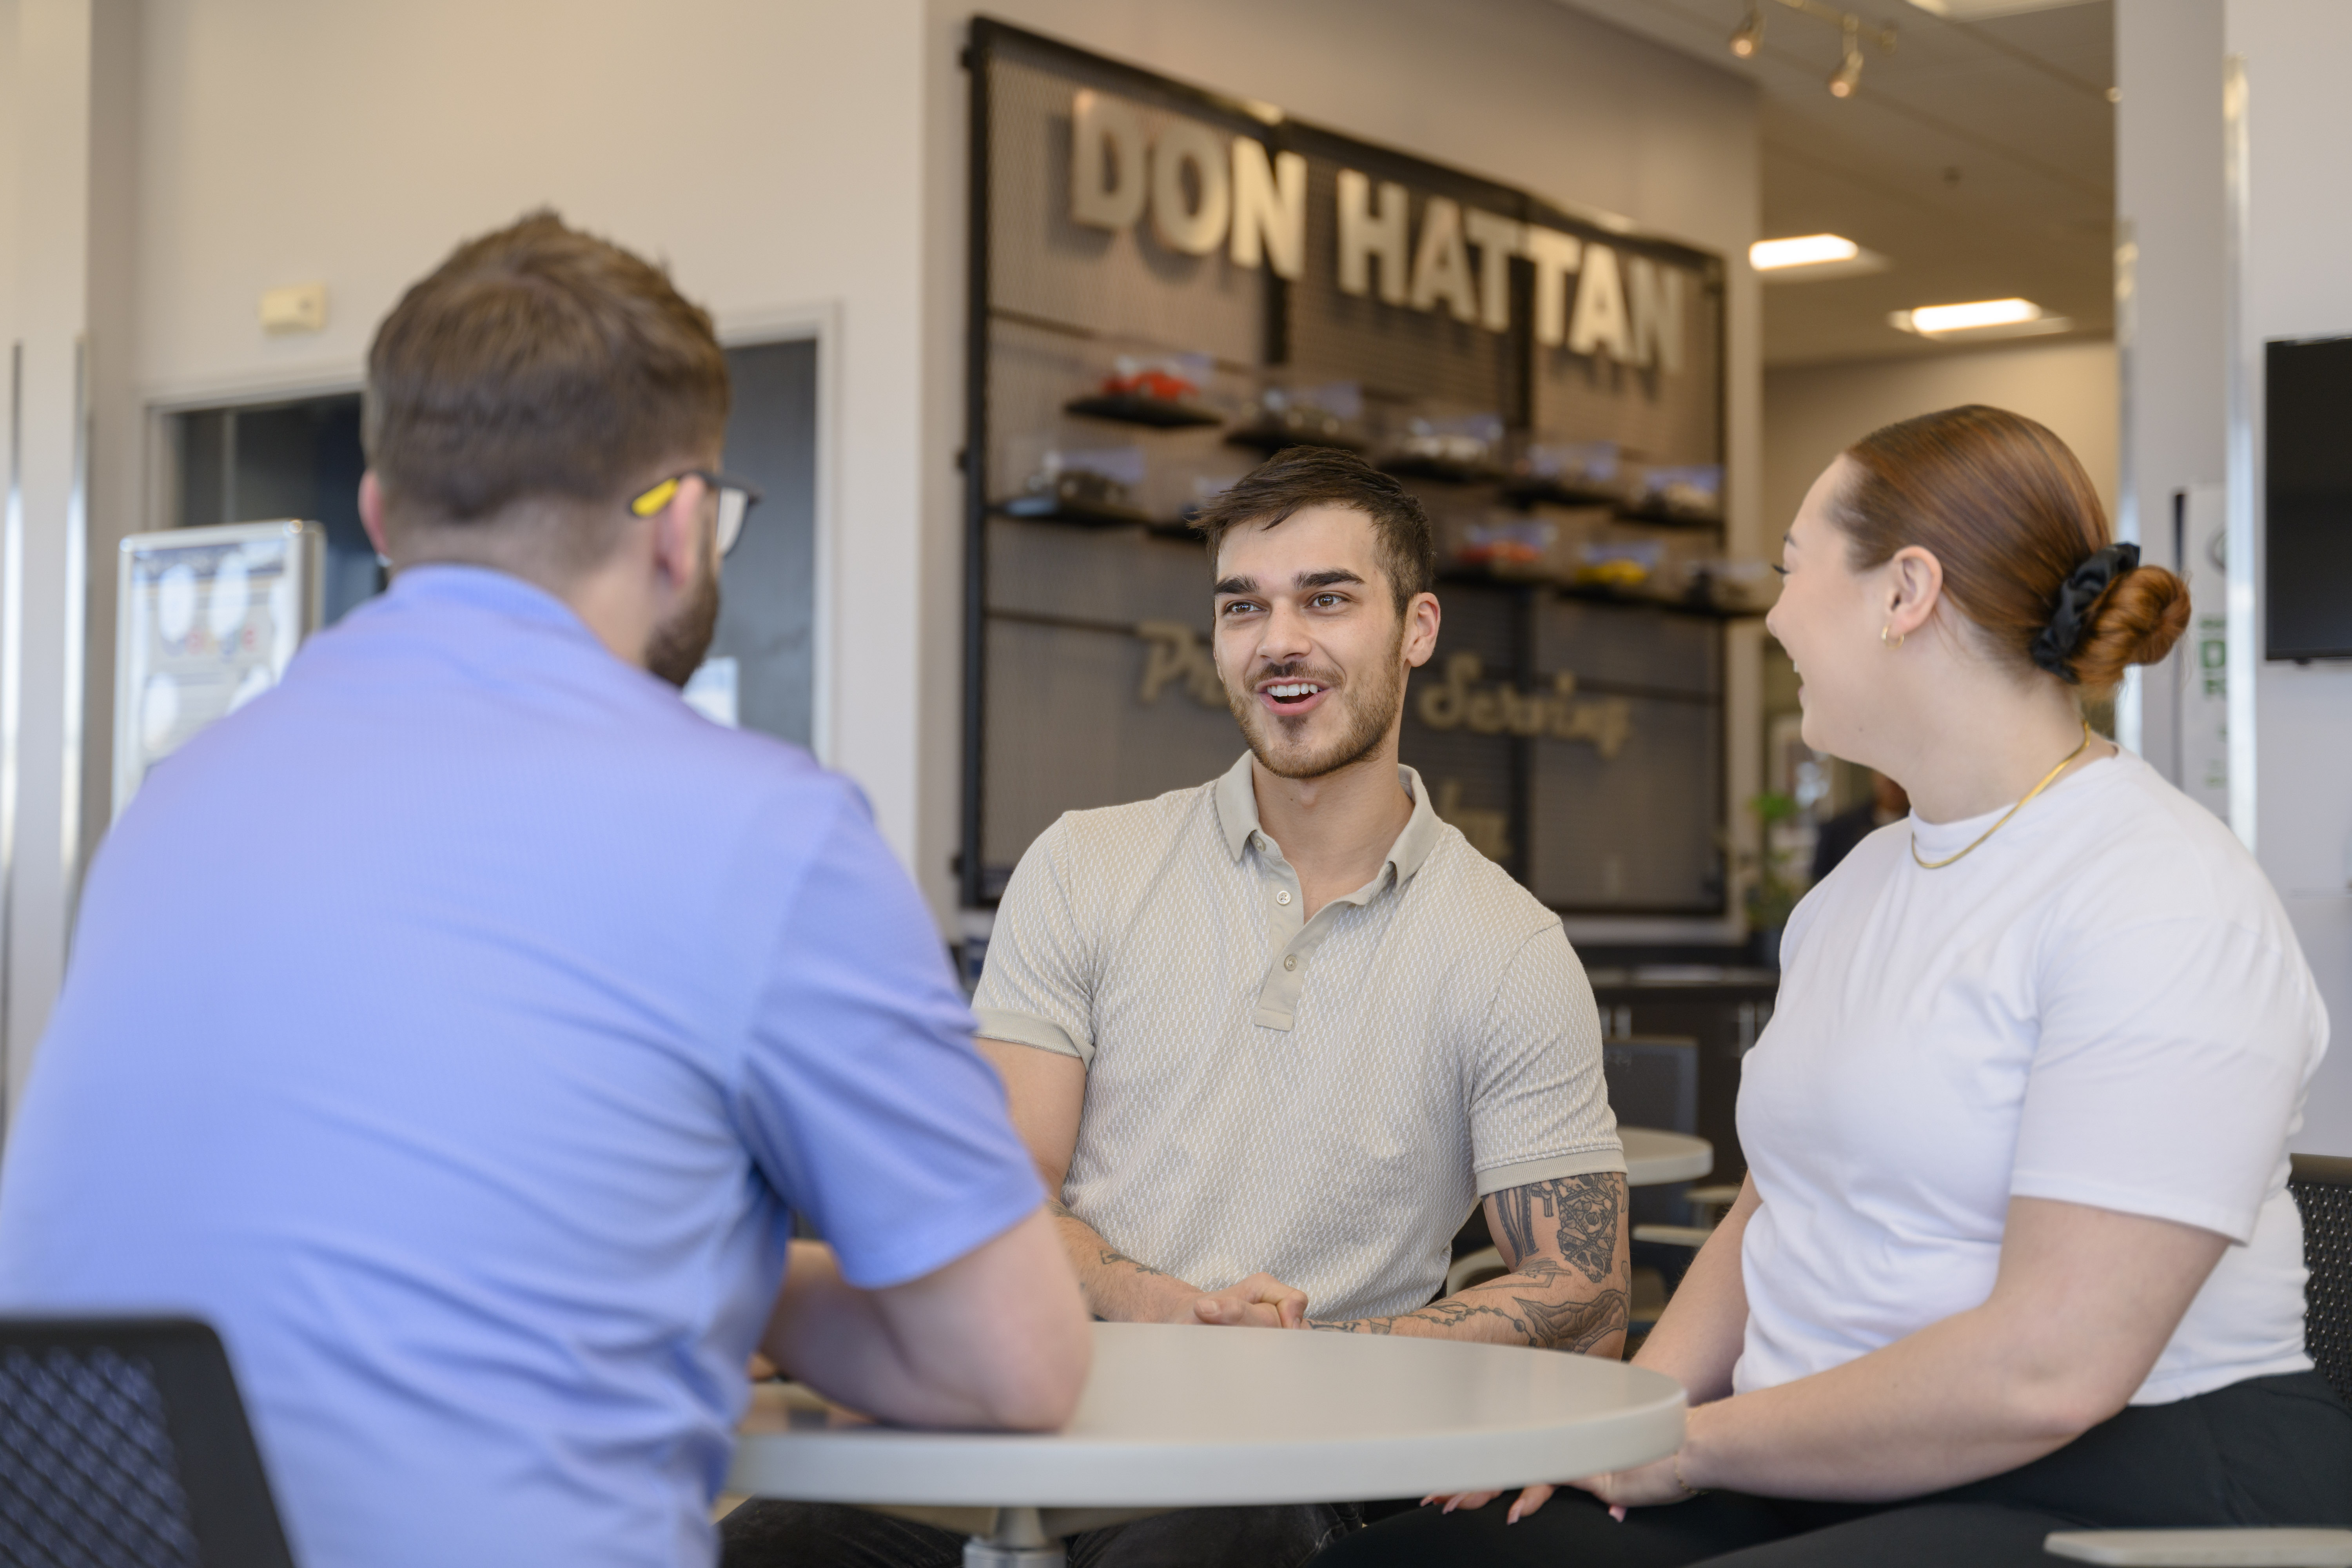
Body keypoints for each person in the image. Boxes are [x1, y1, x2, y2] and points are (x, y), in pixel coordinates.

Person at [0, 212, 1090, 1568]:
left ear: (383, 514)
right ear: (686, 529)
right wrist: (766, 1288)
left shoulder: (174, 804)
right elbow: (1022, 1364)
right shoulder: (766, 831)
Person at [1321, 405, 2352, 1568]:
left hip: (2121, 1478)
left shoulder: (2158, 894)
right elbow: (1777, 1207)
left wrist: (1682, 1450)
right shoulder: (1862, 883)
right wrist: (1617, 1421)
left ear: (1902, 592)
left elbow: (2048, 1372)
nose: (1770, 614)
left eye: (1790, 569)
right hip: (1813, 1453)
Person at [722, 447, 1629, 1568]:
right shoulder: (1085, 866)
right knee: (765, 1549)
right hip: (1040, 1405)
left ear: (1419, 629)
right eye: (1243, 606)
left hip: (1307, 1459)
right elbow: (1000, 1207)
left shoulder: (1511, 948)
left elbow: (1587, 1284)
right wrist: (1166, 1308)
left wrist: (1323, 1353)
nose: (1279, 640)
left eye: (1328, 599)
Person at [1807, 769, 1907, 881]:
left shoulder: (1925, 830)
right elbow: (1819, 881)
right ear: (1874, 775)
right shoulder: (1840, 829)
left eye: (1898, 780)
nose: (1893, 785)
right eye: (1887, 777)